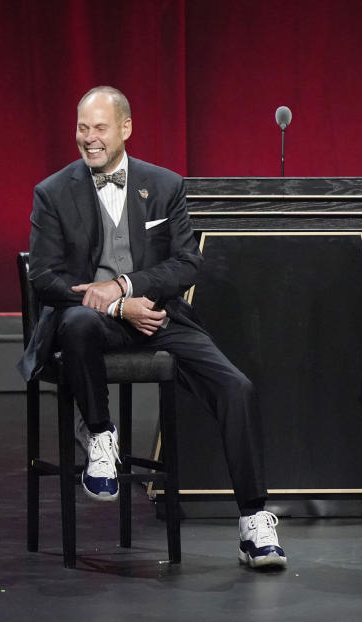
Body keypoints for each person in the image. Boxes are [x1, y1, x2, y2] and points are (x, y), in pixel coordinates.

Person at [17, 86, 286, 570]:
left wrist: (128, 286)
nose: (89, 138)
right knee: (77, 325)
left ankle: (254, 519)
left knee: (236, 388)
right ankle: (100, 436)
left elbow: (187, 263)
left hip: (158, 317)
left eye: (100, 127)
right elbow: (43, 278)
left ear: (126, 128)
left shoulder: (164, 185)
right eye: (82, 127)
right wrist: (116, 305)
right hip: (89, 320)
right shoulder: (53, 192)